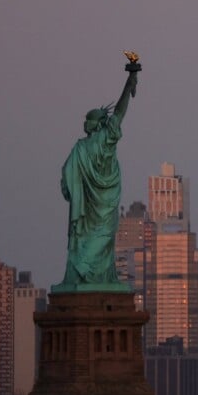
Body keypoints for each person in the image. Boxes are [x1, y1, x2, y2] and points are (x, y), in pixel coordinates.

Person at [59, 63, 139, 288]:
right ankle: (94, 279)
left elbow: (66, 179)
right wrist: (130, 82)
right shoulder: (105, 139)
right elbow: (120, 112)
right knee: (103, 241)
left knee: (89, 241)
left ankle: (86, 276)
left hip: (88, 207)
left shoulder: (80, 149)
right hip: (104, 204)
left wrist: (74, 192)